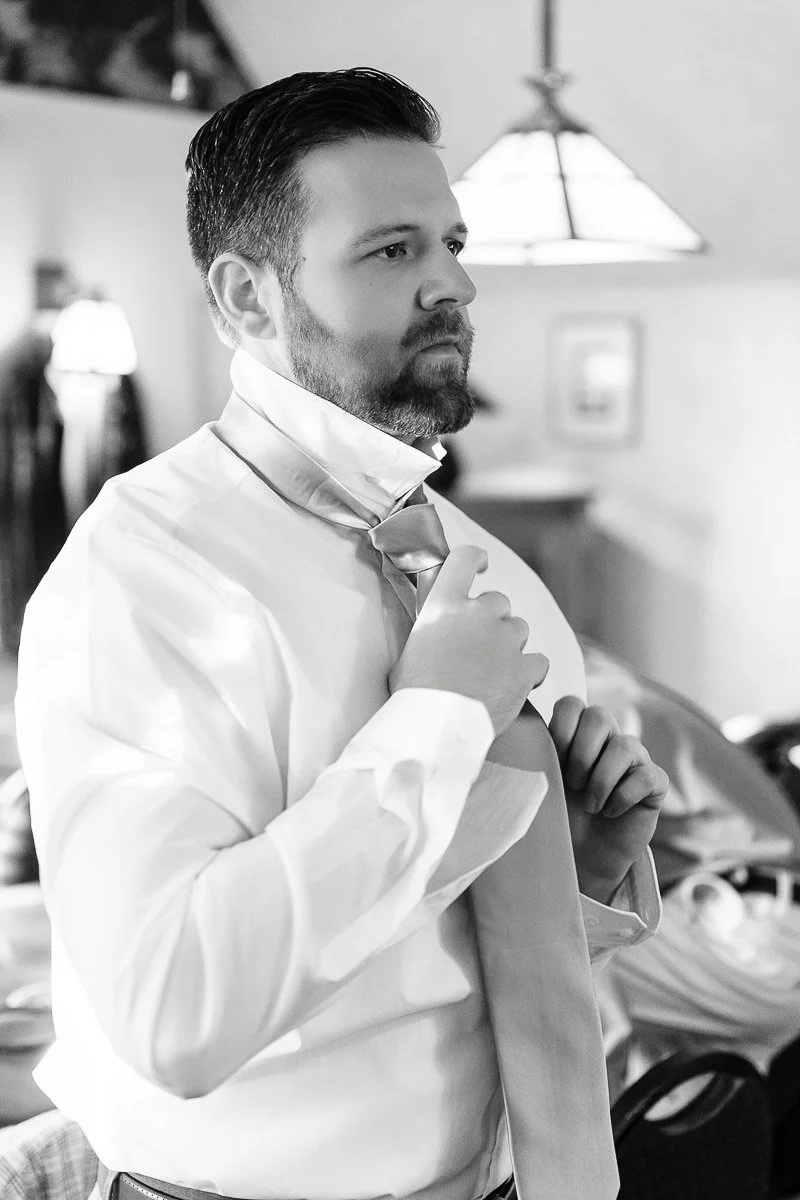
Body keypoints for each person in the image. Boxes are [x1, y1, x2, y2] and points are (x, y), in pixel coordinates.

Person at [14, 69, 666, 1200]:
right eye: (391, 250)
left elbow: (417, 956)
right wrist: (436, 721)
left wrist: (576, 860)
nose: (452, 283)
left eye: (451, 243)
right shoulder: (138, 575)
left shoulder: (476, 565)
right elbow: (176, 1010)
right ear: (247, 295)